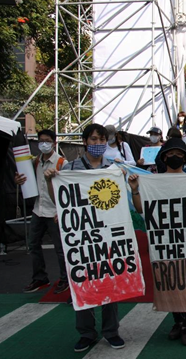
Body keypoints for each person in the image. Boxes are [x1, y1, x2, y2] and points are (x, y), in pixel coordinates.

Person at [128, 138, 186, 346]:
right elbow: (141, 209)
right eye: (170, 154)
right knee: (169, 281)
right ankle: (177, 321)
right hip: (167, 241)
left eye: (179, 154)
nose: (174, 157)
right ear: (163, 157)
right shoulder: (153, 182)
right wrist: (135, 189)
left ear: (185, 158)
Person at [44, 124, 125, 352]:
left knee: (108, 279)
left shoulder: (113, 168)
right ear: (85, 141)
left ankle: (111, 331)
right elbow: (60, 198)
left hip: (107, 233)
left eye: (102, 140)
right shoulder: (71, 168)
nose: (98, 143)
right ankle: (86, 333)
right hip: (82, 234)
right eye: (94, 139)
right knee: (83, 281)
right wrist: (51, 181)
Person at [15, 129, 69, 294]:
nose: (44, 144)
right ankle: (40, 277)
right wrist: (19, 180)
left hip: (54, 211)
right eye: (41, 141)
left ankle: (65, 279)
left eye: (47, 141)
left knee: (60, 248)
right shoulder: (36, 162)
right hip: (38, 209)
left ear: (54, 143)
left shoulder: (62, 163)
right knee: (33, 244)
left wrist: (62, 210)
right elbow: (26, 179)